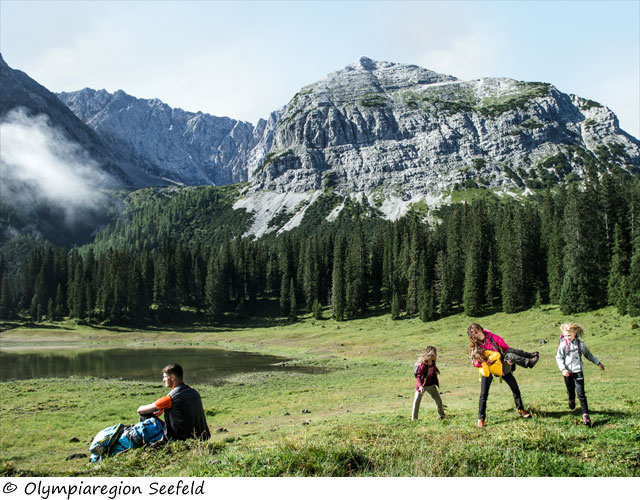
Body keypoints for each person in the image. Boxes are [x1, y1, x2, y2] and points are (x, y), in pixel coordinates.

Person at [467, 323, 531, 427]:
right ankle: (481, 419)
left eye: (477, 332)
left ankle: (521, 410)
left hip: (501, 365)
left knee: (514, 387)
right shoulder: (475, 345)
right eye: (473, 335)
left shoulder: (494, 338)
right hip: (486, 369)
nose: (476, 336)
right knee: (484, 394)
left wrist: (510, 360)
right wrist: (483, 363)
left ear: (481, 330)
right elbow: (474, 361)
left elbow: (506, 349)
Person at [137, 363, 210, 441]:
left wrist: (161, 407)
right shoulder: (194, 392)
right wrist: (164, 409)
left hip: (180, 438)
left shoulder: (169, 398)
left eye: (165, 377)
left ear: (172, 378)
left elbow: (140, 410)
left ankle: (148, 444)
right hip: (201, 437)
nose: (163, 380)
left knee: (144, 415)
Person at [555, 323, 605, 426]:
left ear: (575, 333)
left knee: (581, 394)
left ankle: (585, 415)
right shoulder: (563, 345)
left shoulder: (581, 345)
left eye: (569, 335)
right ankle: (571, 399)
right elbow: (558, 358)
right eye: (565, 336)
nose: (567, 338)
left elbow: (588, 355)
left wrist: (598, 363)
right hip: (567, 373)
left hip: (578, 372)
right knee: (571, 391)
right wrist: (563, 369)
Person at [412, 345, 445, 420]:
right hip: (422, 386)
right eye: (435, 353)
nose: (436, 355)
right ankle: (414, 419)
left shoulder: (433, 362)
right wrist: (420, 386)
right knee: (416, 402)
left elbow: (432, 368)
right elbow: (418, 376)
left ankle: (441, 416)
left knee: (438, 400)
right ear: (431, 354)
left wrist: (436, 370)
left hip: (431, 385)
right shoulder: (423, 364)